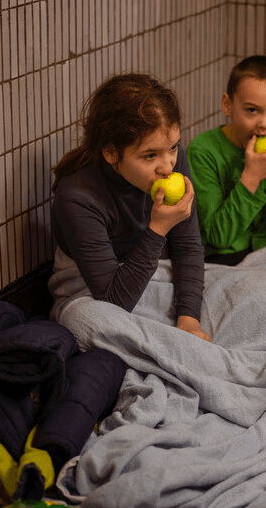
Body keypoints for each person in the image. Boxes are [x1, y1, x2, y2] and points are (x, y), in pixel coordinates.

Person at [49, 73, 209, 340]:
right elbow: (113, 301)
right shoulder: (77, 197)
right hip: (92, 293)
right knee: (91, 323)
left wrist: (189, 320)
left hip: (152, 270)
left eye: (172, 148)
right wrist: (158, 228)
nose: (167, 166)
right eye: (150, 155)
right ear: (111, 152)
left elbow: (187, 246)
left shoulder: (171, 161)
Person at [188, 55, 266, 264]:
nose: (265, 124)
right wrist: (251, 178)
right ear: (228, 105)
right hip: (219, 258)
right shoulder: (203, 151)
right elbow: (217, 238)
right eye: (252, 110)